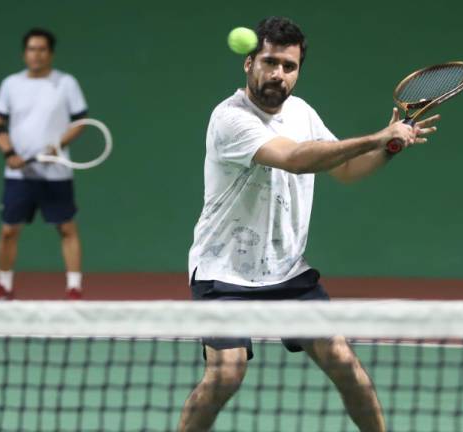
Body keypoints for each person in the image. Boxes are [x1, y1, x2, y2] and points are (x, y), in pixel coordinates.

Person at [181, 16, 439, 431]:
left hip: (286, 273)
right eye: (269, 62)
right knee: (225, 374)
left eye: (289, 66)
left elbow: (347, 168)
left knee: (345, 366)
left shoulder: (301, 112)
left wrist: (389, 147)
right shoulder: (230, 119)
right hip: (224, 272)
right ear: (249, 63)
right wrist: (376, 135)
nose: (278, 74)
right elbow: (296, 159)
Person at [0, 28, 88, 301]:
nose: (36, 54)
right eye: (32, 49)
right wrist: (9, 154)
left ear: (50, 53)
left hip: (56, 173)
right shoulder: (10, 85)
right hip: (18, 175)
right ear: (24, 53)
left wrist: (58, 144)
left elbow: (80, 122)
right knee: (8, 231)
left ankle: (74, 289)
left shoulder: (66, 83)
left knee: (67, 228)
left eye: (42, 49)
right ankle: (4, 287)